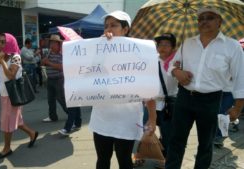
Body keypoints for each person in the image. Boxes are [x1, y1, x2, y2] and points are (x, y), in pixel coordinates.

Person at [166, 6, 244, 169]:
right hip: (184, 97)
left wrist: (237, 107)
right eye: (201, 19)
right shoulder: (187, 43)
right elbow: (171, 65)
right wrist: (177, 72)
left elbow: (240, 78)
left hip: (211, 100)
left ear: (220, 22)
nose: (204, 21)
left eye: (209, 17)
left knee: (205, 145)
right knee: (176, 141)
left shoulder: (232, 46)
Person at [88, 11, 157, 169]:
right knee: (102, 159)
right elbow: (86, 73)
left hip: (127, 119)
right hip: (102, 117)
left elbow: (148, 88)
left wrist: (152, 119)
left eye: (114, 25)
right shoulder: (98, 49)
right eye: (106, 26)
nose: (108, 29)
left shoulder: (140, 52)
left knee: (124, 159)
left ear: (126, 29)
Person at [133, 33, 178, 168]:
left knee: (167, 135)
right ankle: (139, 156)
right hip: (148, 103)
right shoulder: (150, 61)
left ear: (173, 47)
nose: (162, 47)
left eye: (167, 44)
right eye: (160, 44)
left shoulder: (177, 63)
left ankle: (164, 160)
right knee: (142, 132)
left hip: (168, 105)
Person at [0, 33, 38, 160]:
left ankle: (7, 149)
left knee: (7, 123)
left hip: (12, 95)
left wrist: (2, 61)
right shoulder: (1, 57)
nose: (0, 44)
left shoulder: (15, 57)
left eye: (3, 42)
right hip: (4, 94)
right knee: (16, 120)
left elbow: (10, 76)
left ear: (10, 43)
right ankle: (32, 133)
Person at [41, 34, 68, 122]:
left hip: (59, 79)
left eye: (54, 43)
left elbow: (61, 67)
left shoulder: (61, 54)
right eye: (51, 43)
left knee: (61, 99)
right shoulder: (47, 53)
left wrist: (48, 63)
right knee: (50, 100)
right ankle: (53, 117)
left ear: (58, 44)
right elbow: (42, 63)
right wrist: (43, 61)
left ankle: (71, 115)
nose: (52, 45)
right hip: (50, 79)